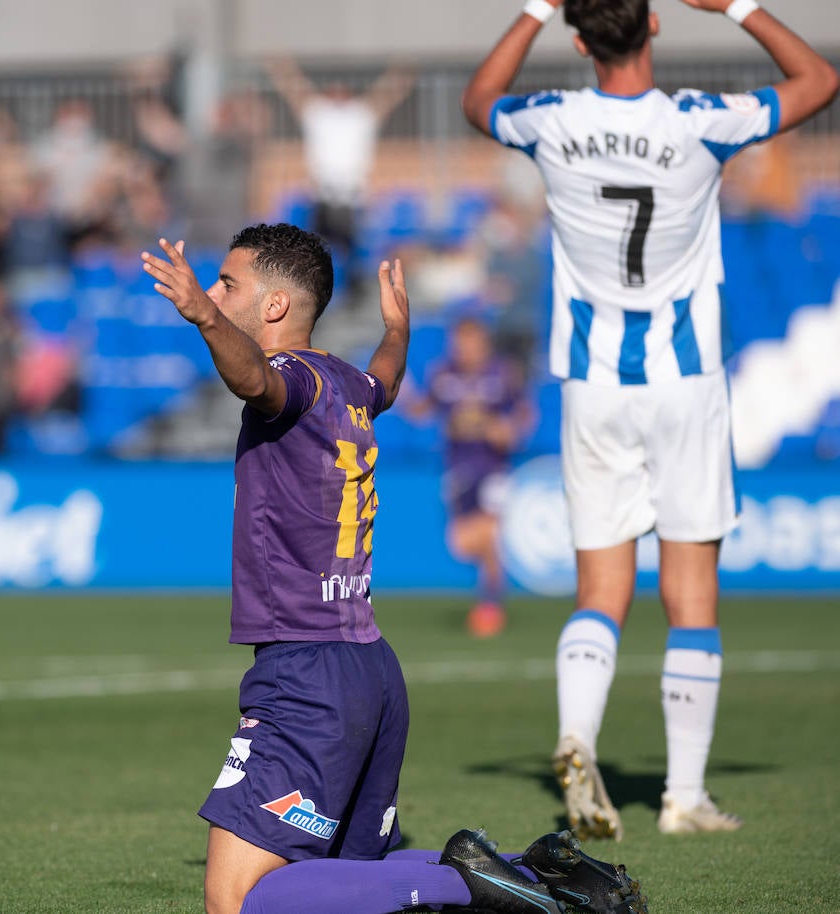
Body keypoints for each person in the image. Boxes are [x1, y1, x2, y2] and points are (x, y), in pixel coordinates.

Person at [141, 223, 646, 914]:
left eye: (230, 284)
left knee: (238, 897)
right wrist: (398, 327)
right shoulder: (348, 384)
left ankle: (468, 880)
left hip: (308, 674)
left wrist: (202, 315)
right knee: (352, 878)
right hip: (370, 670)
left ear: (277, 305)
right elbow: (388, 376)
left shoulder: (289, 381)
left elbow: (254, 378)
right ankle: (529, 875)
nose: (215, 291)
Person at [461, 0, 839, 839]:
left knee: (601, 587)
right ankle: (684, 797)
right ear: (654, 27)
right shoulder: (698, 121)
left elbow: (476, 97)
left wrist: (531, 10)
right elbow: (820, 81)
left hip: (593, 382)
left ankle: (576, 735)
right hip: (685, 378)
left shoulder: (550, 121)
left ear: (579, 38)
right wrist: (739, 4)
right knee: (691, 590)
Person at [410, 316, 532, 637]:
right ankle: (490, 591)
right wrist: (403, 394)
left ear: (483, 343)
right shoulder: (444, 374)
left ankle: (490, 606)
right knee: (462, 543)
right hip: (458, 468)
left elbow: (524, 413)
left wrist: (509, 430)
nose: (463, 349)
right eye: (458, 342)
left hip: (492, 468)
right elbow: (423, 412)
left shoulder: (501, 373)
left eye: (469, 341)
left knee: (489, 532)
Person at [264, 58, 414, 264]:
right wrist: (281, 66)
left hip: (352, 196)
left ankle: (352, 285)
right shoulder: (319, 114)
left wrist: (405, 68)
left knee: (351, 249)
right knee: (315, 251)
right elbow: (294, 90)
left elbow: (387, 95)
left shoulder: (360, 116)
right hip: (322, 194)